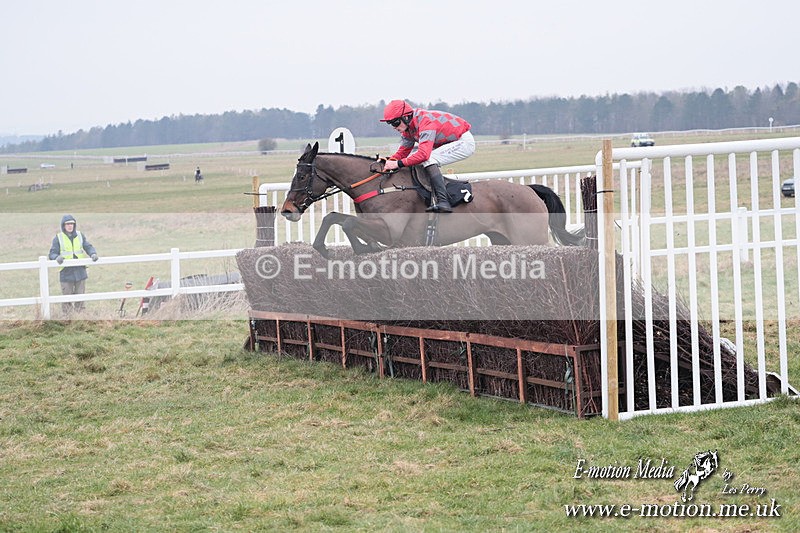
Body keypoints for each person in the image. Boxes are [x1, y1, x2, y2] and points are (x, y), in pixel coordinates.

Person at [380, 99, 475, 213]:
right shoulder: (408, 128)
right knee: (417, 159)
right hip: (449, 142)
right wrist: (389, 161)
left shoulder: (425, 122)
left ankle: (443, 201)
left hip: (463, 142)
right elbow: (403, 152)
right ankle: (433, 197)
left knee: (428, 159)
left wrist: (397, 164)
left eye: (395, 122)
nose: (394, 127)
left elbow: (424, 155)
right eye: (390, 124)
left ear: (406, 117)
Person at [48, 215, 98, 315]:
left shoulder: (80, 235)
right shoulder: (58, 238)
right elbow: (52, 253)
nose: (70, 226)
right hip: (66, 272)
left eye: (71, 224)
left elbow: (87, 246)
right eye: (67, 224)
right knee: (67, 297)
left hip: (80, 271)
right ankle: (67, 318)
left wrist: (93, 253)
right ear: (63, 225)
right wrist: (57, 257)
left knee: (80, 296)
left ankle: (80, 317)